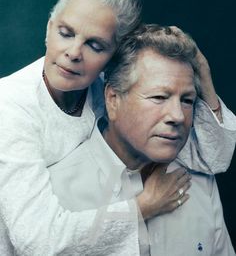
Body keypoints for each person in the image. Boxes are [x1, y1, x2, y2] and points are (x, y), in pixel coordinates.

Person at [0, 0, 235, 256]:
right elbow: (36, 240)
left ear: (112, 56)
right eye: (66, 33)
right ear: (49, 28)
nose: (74, 52)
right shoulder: (9, 107)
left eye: (95, 45)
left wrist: (204, 77)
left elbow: (214, 158)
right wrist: (143, 206)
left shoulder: (103, 87)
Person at [49, 24, 235, 255]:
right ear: (113, 100)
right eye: (159, 97)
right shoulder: (55, 194)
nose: (177, 116)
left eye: (187, 100)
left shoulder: (199, 182)